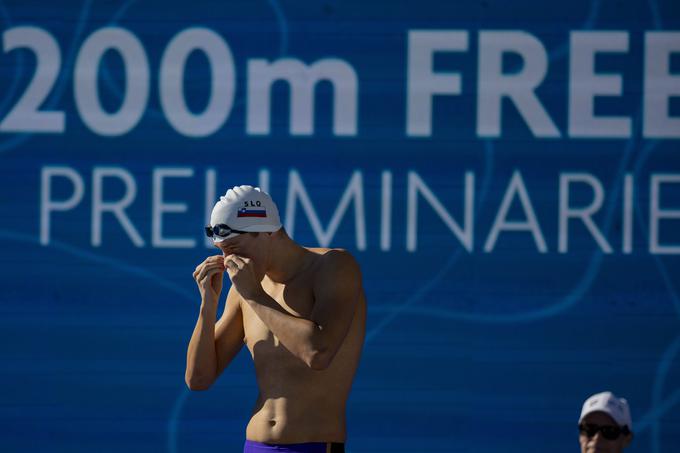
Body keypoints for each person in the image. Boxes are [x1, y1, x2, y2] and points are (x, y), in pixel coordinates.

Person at [185, 185, 366, 453]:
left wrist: (254, 296)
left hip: (312, 445)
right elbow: (198, 379)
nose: (229, 260)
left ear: (268, 231)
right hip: (256, 446)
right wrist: (208, 305)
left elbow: (318, 352)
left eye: (235, 249)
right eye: (223, 251)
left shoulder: (333, 267)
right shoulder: (245, 289)